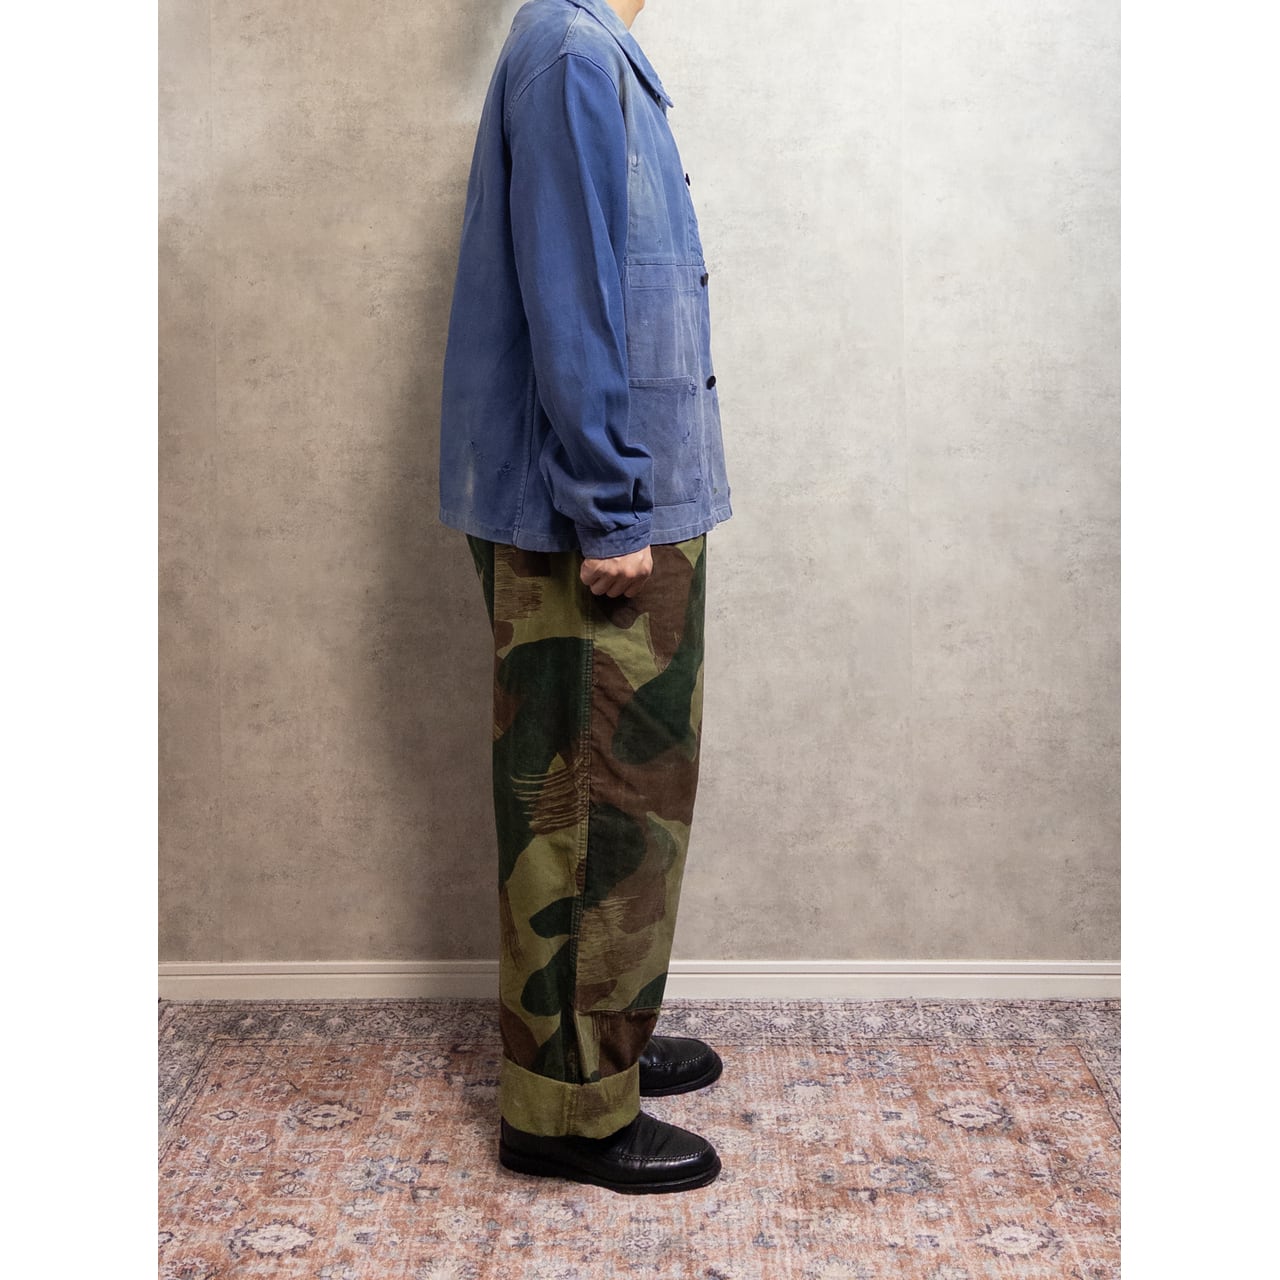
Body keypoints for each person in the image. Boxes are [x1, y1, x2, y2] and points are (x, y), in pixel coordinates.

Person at [438, 0, 732, 1195]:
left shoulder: (601, 52)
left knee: (634, 802)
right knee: (586, 807)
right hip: (591, 512)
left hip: (632, 497)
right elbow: (572, 294)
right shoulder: (565, 51)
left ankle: (602, 1041)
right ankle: (563, 1105)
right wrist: (610, 505)